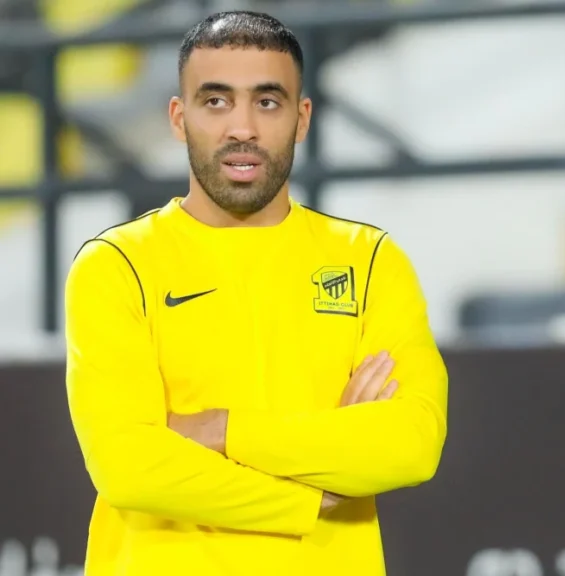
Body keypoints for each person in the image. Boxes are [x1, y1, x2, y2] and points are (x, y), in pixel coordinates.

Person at [63, 11, 448, 576]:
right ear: (179, 118)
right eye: (216, 101)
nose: (241, 128)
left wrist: (220, 430)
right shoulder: (116, 265)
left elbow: (410, 444)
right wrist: (311, 493)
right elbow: (127, 466)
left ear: (301, 118)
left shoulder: (369, 261)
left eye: (267, 102)